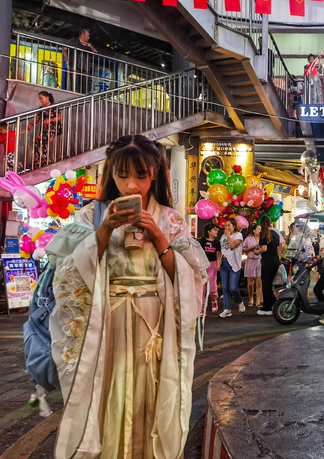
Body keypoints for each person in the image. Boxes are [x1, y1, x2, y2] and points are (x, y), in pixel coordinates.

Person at [48, 134, 207, 458]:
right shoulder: (90, 217)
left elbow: (190, 280)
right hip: (107, 329)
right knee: (109, 398)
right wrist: (104, 230)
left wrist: (159, 236)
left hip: (155, 331)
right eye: (122, 175)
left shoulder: (170, 220)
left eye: (141, 175)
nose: (131, 185)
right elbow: (68, 277)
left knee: (151, 399)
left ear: (154, 175)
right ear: (111, 174)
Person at [218, 217, 245, 318]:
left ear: (234, 226)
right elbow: (221, 250)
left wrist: (229, 236)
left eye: (229, 225)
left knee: (233, 287)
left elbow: (233, 246)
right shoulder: (223, 236)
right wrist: (218, 260)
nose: (227, 227)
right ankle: (227, 309)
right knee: (225, 288)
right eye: (226, 225)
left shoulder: (239, 235)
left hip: (234, 264)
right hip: (224, 263)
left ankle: (240, 302)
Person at [27, 91, 62, 167]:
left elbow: (59, 117)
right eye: (40, 99)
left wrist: (50, 120)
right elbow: (37, 118)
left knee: (42, 142)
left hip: (52, 129)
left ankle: (44, 161)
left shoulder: (54, 106)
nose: (41, 100)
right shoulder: (41, 108)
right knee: (38, 144)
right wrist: (31, 124)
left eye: (42, 98)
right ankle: (43, 160)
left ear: (47, 97)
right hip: (44, 130)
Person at [257, 216, 282, 316]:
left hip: (267, 261)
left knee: (266, 285)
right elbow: (278, 246)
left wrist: (256, 252)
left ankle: (267, 307)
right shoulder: (275, 233)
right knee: (269, 284)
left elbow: (264, 248)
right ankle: (274, 303)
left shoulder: (263, 233)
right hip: (275, 260)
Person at [63, 28, 98, 94]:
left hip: (85, 66)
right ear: (82, 35)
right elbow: (65, 49)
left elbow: (96, 52)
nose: (88, 37)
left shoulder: (89, 44)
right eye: (87, 35)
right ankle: (75, 92)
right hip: (75, 64)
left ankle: (85, 94)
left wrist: (91, 47)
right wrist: (66, 58)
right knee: (75, 81)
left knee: (85, 82)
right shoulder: (74, 40)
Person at [199, 223, 221, 313]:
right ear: (208, 231)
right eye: (214, 230)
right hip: (202, 265)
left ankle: (214, 300)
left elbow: (218, 254)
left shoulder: (217, 242)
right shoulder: (201, 241)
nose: (216, 232)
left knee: (212, 287)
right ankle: (202, 308)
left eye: (217, 230)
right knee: (202, 288)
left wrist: (218, 263)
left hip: (212, 265)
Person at [242, 223, 263, 307]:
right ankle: (251, 299)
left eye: (260, 229)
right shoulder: (248, 239)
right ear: (254, 230)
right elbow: (243, 250)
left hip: (260, 261)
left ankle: (258, 300)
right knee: (250, 282)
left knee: (259, 282)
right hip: (250, 260)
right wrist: (251, 248)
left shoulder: (262, 239)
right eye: (258, 229)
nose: (259, 231)